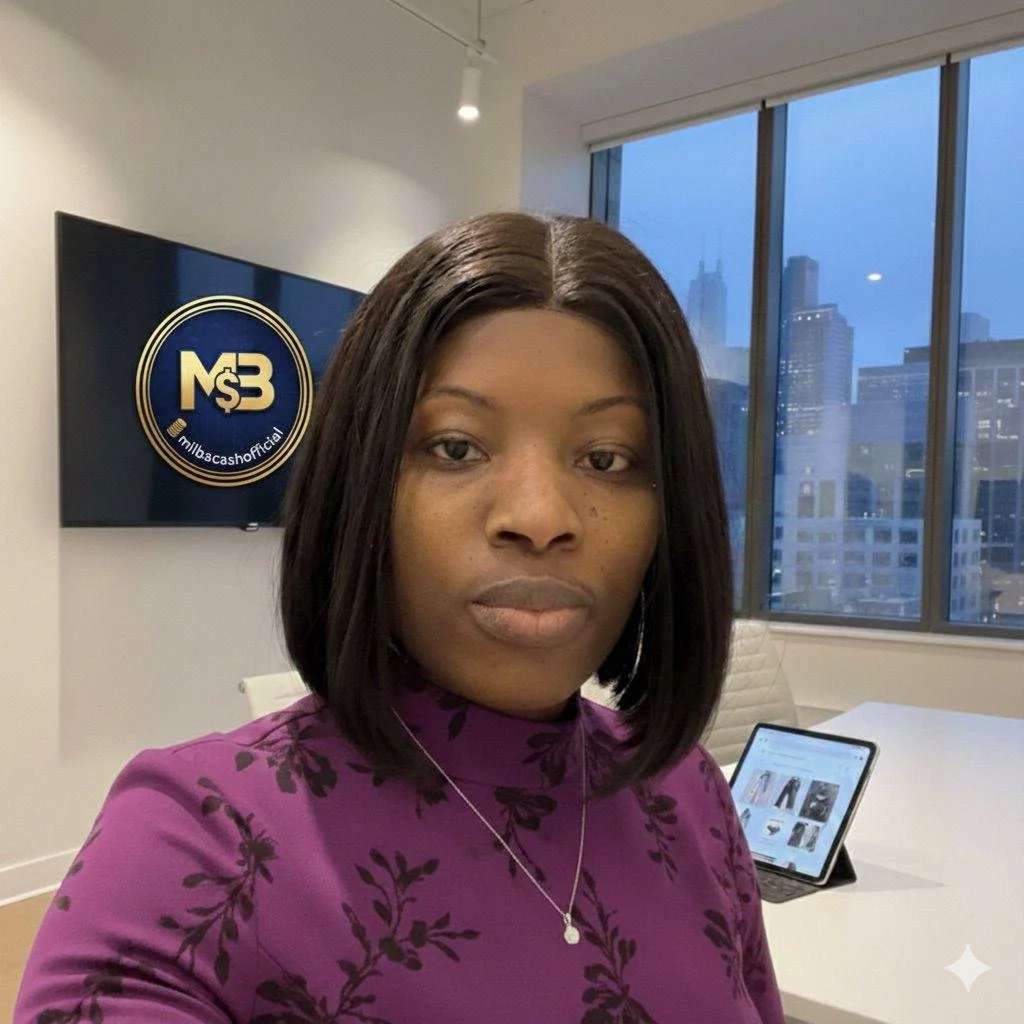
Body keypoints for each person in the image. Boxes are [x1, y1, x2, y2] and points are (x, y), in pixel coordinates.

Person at [15, 213, 786, 1023]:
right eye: (455, 447)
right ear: (362, 483)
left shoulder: (690, 795)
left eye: (606, 458)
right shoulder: (190, 848)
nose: (539, 517)